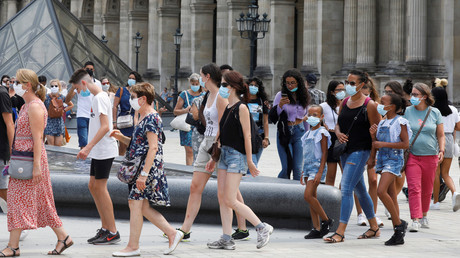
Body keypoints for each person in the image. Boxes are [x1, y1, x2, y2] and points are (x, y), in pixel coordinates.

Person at [1, 69, 73, 256]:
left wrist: (36, 167)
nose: (13, 84)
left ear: (28, 85)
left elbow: (38, 138)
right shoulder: (26, 105)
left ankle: (13, 246)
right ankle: (63, 237)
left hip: (30, 160)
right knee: (42, 201)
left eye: (17, 81)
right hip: (23, 159)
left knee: (17, 200)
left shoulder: (33, 107)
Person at [110, 83, 183, 256]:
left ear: (143, 99)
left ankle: (133, 246)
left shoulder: (151, 118)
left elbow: (153, 148)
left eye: (133, 97)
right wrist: (122, 137)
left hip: (145, 168)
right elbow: (138, 145)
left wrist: (143, 175)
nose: (130, 100)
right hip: (142, 166)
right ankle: (172, 233)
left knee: (135, 203)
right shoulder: (144, 117)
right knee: (141, 206)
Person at [205, 70, 273, 250]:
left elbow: (248, 135)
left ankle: (262, 227)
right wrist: (214, 157)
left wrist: (250, 161)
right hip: (225, 154)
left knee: (230, 199)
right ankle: (226, 238)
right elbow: (222, 134)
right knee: (223, 197)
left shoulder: (242, 108)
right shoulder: (227, 107)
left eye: (224, 85)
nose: (222, 88)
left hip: (237, 156)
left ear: (233, 87)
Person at [324, 70, 381, 243]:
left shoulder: (370, 105)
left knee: (346, 188)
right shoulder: (346, 102)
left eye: (352, 83)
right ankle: (374, 227)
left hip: (361, 151)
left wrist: (372, 157)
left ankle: (340, 232)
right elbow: (339, 124)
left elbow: (377, 133)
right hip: (345, 150)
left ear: (362, 85)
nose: (348, 86)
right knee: (360, 190)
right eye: (347, 82)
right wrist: (339, 134)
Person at [177, 63, 229, 241]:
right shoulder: (208, 95)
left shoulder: (221, 96)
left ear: (207, 77)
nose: (198, 80)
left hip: (217, 144)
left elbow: (223, 126)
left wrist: (216, 152)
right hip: (206, 142)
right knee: (195, 186)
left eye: (201, 76)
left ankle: (247, 227)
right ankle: (185, 229)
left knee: (229, 193)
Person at [69, 69, 120, 245]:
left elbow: (105, 126)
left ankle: (112, 230)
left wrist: (87, 147)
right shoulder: (99, 97)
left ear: (84, 83)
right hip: (99, 150)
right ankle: (105, 228)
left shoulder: (98, 98)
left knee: (100, 187)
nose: (76, 92)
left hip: (103, 149)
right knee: (93, 185)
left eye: (76, 88)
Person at [368, 93, 411, 245]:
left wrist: (383, 145)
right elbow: (376, 143)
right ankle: (397, 231)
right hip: (383, 159)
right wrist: (373, 137)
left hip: (393, 159)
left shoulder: (401, 122)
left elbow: (405, 144)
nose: (379, 104)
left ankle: (399, 224)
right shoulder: (382, 122)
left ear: (392, 106)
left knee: (381, 191)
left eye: (383, 102)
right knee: (391, 195)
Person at [403, 83, 445, 232]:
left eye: (415, 95)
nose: (412, 97)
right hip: (412, 155)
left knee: (427, 189)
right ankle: (415, 218)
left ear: (424, 96)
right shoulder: (407, 111)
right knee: (414, 188)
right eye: (411, 94)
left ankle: (424, 214)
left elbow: (440, 134)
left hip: (431, 155)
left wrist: (441, 150)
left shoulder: (434, 112)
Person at [351, 77, 381, 227]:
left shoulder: (374, 105)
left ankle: (373, 214)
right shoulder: (352, 103)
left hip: (372, 147)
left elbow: (380, 126)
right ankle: (360, 213)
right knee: (357, 181)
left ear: (369, 90)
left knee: (373, 180)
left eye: (364, 90)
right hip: (359, 147)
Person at [300, 104, 333, 239]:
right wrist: (303, 171)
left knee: (307, 195)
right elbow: (305, 154)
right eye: (310, 114)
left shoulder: (322, 132)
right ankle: (316, 227)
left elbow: (325, 153)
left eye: (315, 115)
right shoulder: (307, 133)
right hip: (307, 168)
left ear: (321, 117)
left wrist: (320, 172)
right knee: (312, 198)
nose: (312, 117)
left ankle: (326, 220)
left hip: (316, 167)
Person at [272, 69, 310, 180]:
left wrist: (307, 135)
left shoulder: (304, 95)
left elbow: (306, 117)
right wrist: (280, 105)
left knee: (298, 168)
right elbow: (274, 116)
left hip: (300, 131)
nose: (290, 85)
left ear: (298, 82)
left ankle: (297, 195)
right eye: (287, 83)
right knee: (286, 167)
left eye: (292, 82)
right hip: (285, 131)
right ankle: (279, 191)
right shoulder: (280, 95)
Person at [430, 87, 460, 212]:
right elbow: (458, 127)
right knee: (446, 173)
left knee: (436, 173)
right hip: (448, 139)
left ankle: (436, 201)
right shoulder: (453, 109)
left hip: (435, 138)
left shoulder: (432, 110)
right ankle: (454, 192)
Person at [65, 61, 101, 149]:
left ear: (94, 70)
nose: (89, 71)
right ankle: (83, 161)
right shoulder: (78, 83)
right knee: (83, 141)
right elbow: (67, 100)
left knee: (92, 141)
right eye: (87, 69)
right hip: (82, 115)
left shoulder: (98, 83)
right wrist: (73, 88)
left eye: (91, 69)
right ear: (83, 69)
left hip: (94, 115)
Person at [173, 73, 205, 166]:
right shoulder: (184, 94)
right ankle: (189, 170)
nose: (195, 86)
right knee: (189, 150)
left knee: (200, 150)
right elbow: (175, 111)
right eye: (193, 83)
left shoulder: (204, 94)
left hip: (200, 124)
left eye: (196, 83)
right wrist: (185, 110)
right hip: (187, 125)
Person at [321, 81, 345, 186]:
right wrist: (323, 126)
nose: (341, 92)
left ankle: (341, 196)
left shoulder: (347, 104)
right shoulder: (324, 106)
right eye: (338, 90)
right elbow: (315, 120)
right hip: (330, 138)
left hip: (343, 138)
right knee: (331, 174)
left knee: (346, 173)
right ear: (332, 92)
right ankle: (329, 200)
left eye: (343, 90)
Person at [113, 71, 143, 156]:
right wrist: (114, 121)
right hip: (123, 120)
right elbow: (115, 106)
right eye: (129, 78)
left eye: (133, 79)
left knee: (134, 145)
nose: (131, 80)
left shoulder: (139, 92)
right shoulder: (122, 90)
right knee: (122, 146)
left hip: (135, 119)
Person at [244, 77, 270, 168]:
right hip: (246, 133)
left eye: (256, 85)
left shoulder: (262, 102)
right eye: (251, 85)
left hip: (259, 134)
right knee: (252, 163)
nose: (253, 87)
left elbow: (265, 121)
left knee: (255, 161)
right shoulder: (242, 100)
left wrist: (266, 137)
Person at [44, 80, 74, 146]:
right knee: (50, 145)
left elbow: (71, 104)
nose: (54, 87)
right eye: (52, 86)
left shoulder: (62, 97)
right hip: (49, 122)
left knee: (58, 145)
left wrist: (64, 110)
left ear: (59, 87)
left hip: (59, 122)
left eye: (56, 86)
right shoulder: (46, 97)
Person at [0, 76, 14, 213]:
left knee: (3, 189)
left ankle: (17, 220)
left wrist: (12, 148)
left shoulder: (2, 94)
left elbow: (10, 123)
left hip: (1, 150)